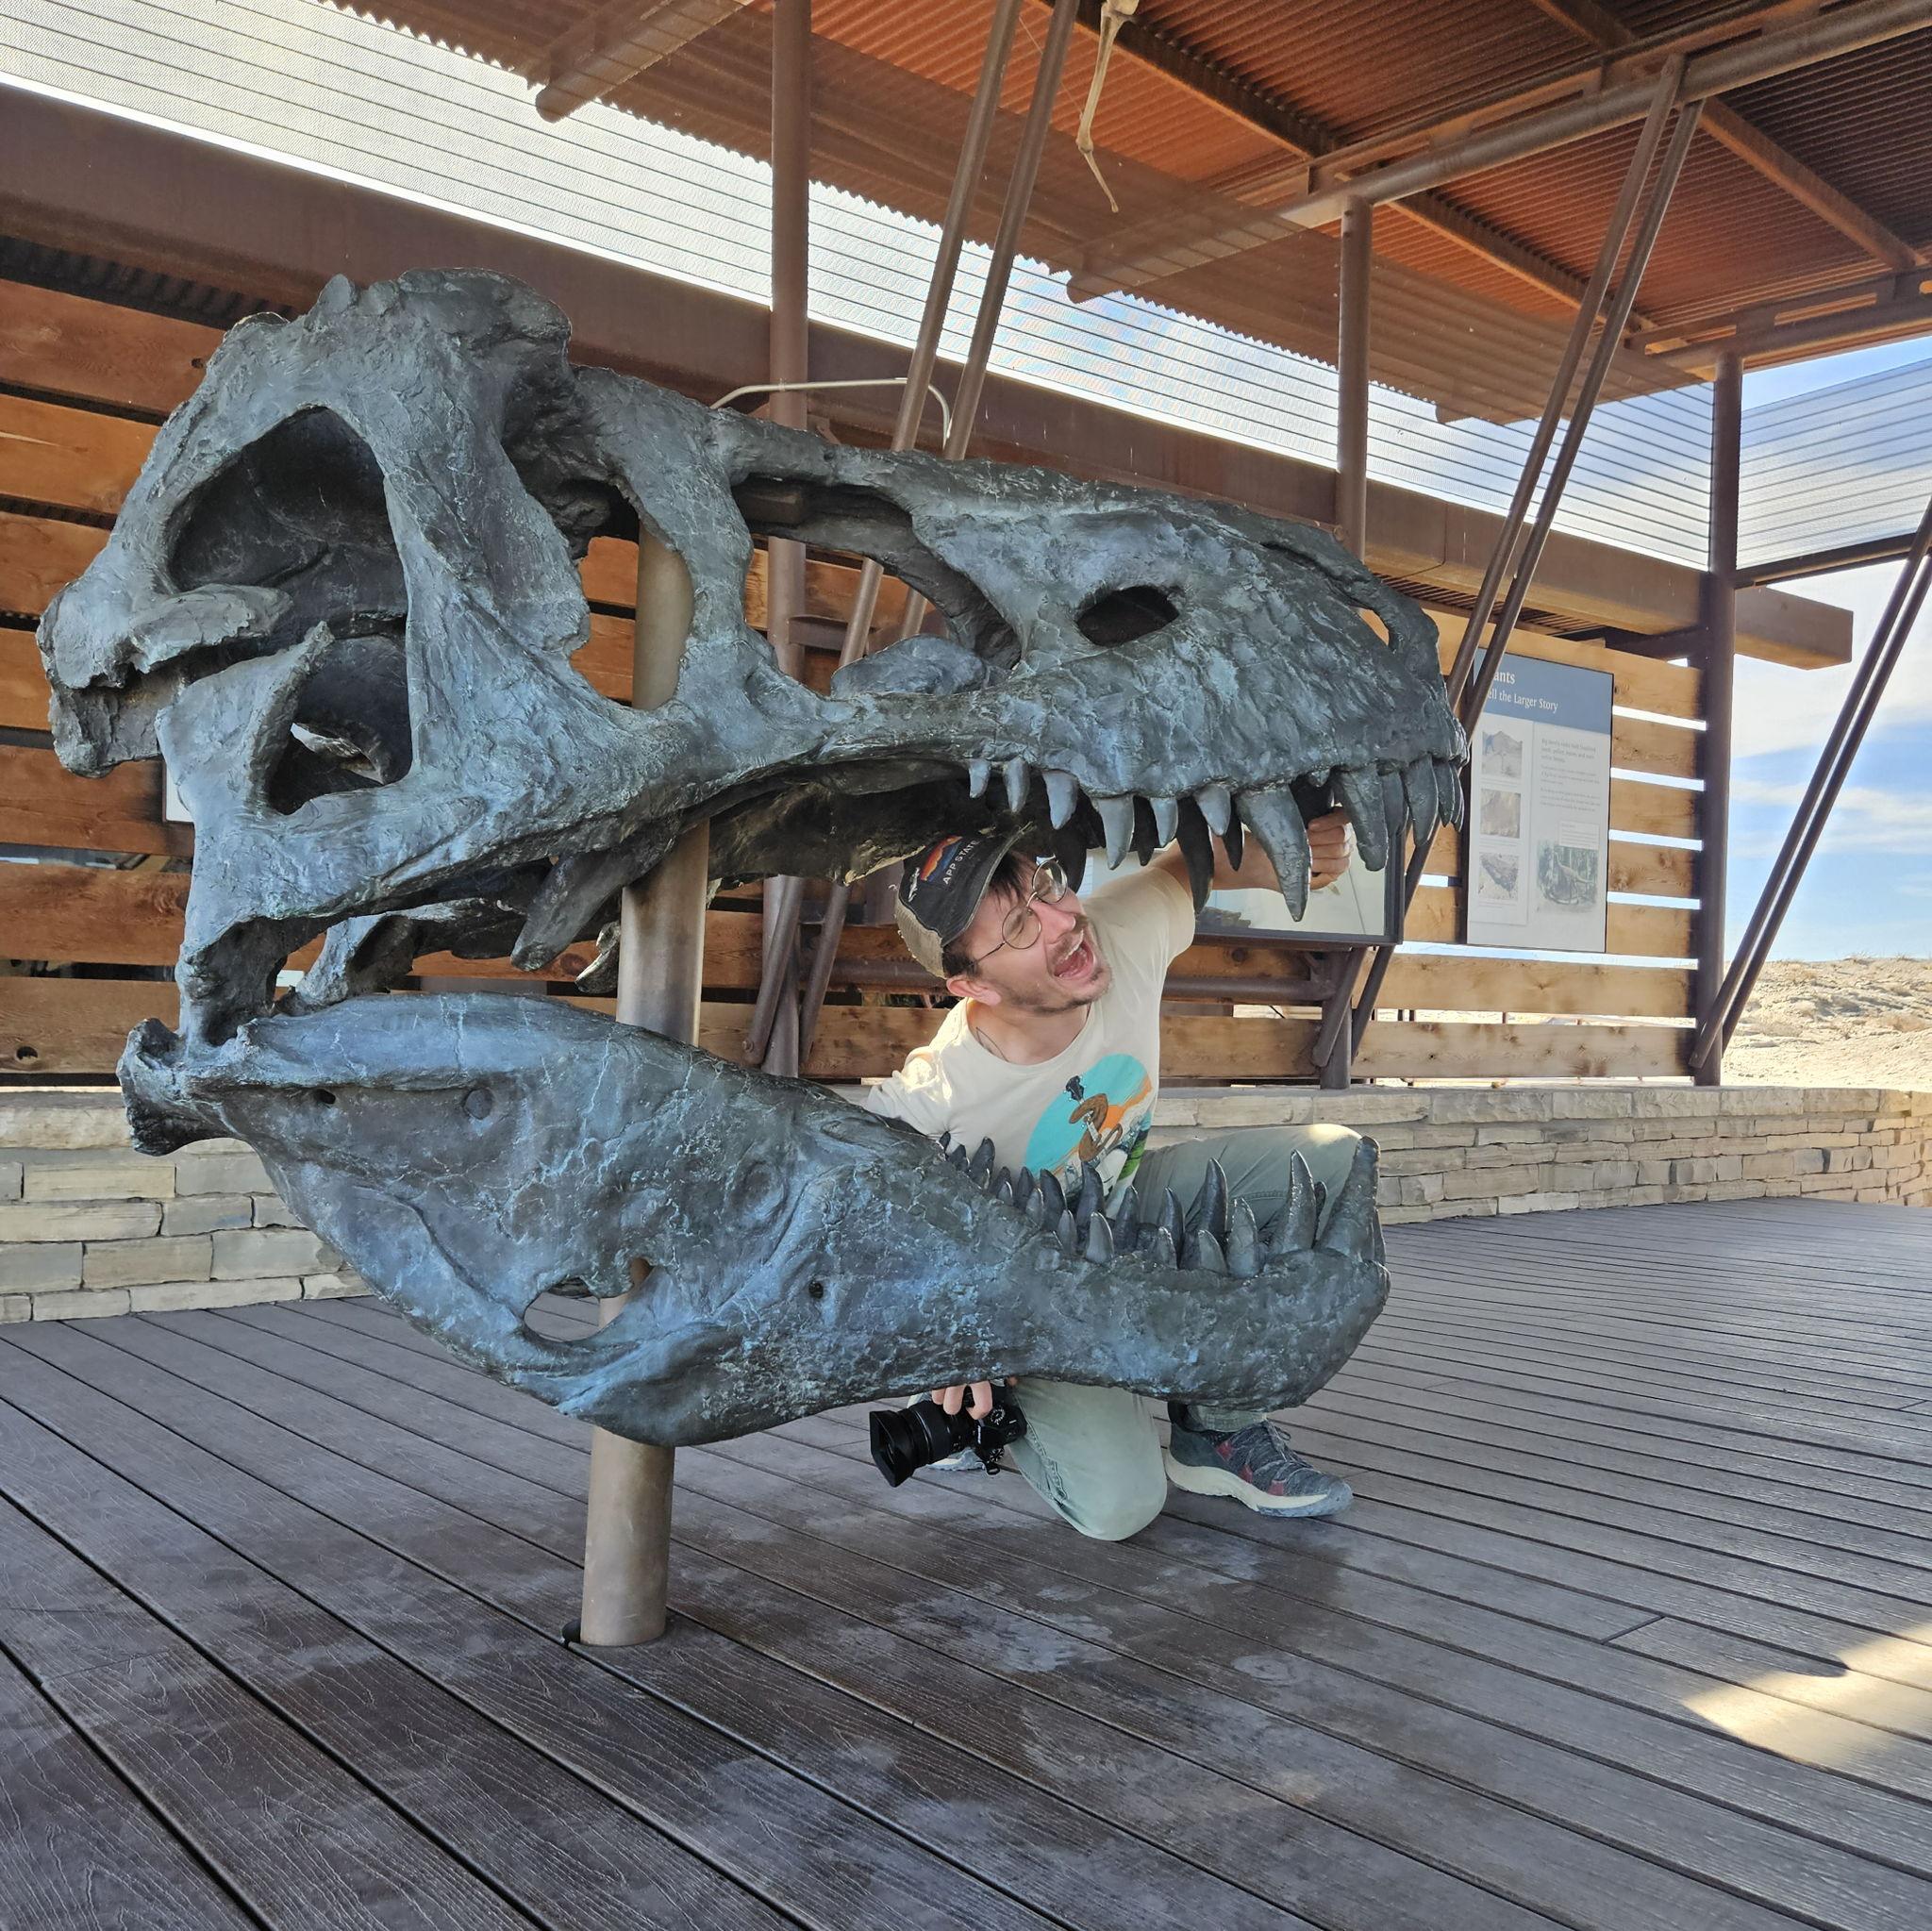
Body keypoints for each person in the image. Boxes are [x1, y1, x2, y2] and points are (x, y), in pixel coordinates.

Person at [861, 807, 1365, 1541]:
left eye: (1046, 886)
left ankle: (1215, 1429)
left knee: (1333, 1162)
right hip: (1027, 1303)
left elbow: (1187, 866)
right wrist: (951, 1331)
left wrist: (1285, 850)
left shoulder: (1116, 930)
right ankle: (976, 1422)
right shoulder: (932, 1102)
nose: (1060, 922)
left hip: (1125, 1215)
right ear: (974, 988)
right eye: (1018, 931)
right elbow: (841, 1218)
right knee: (1121, 1506)